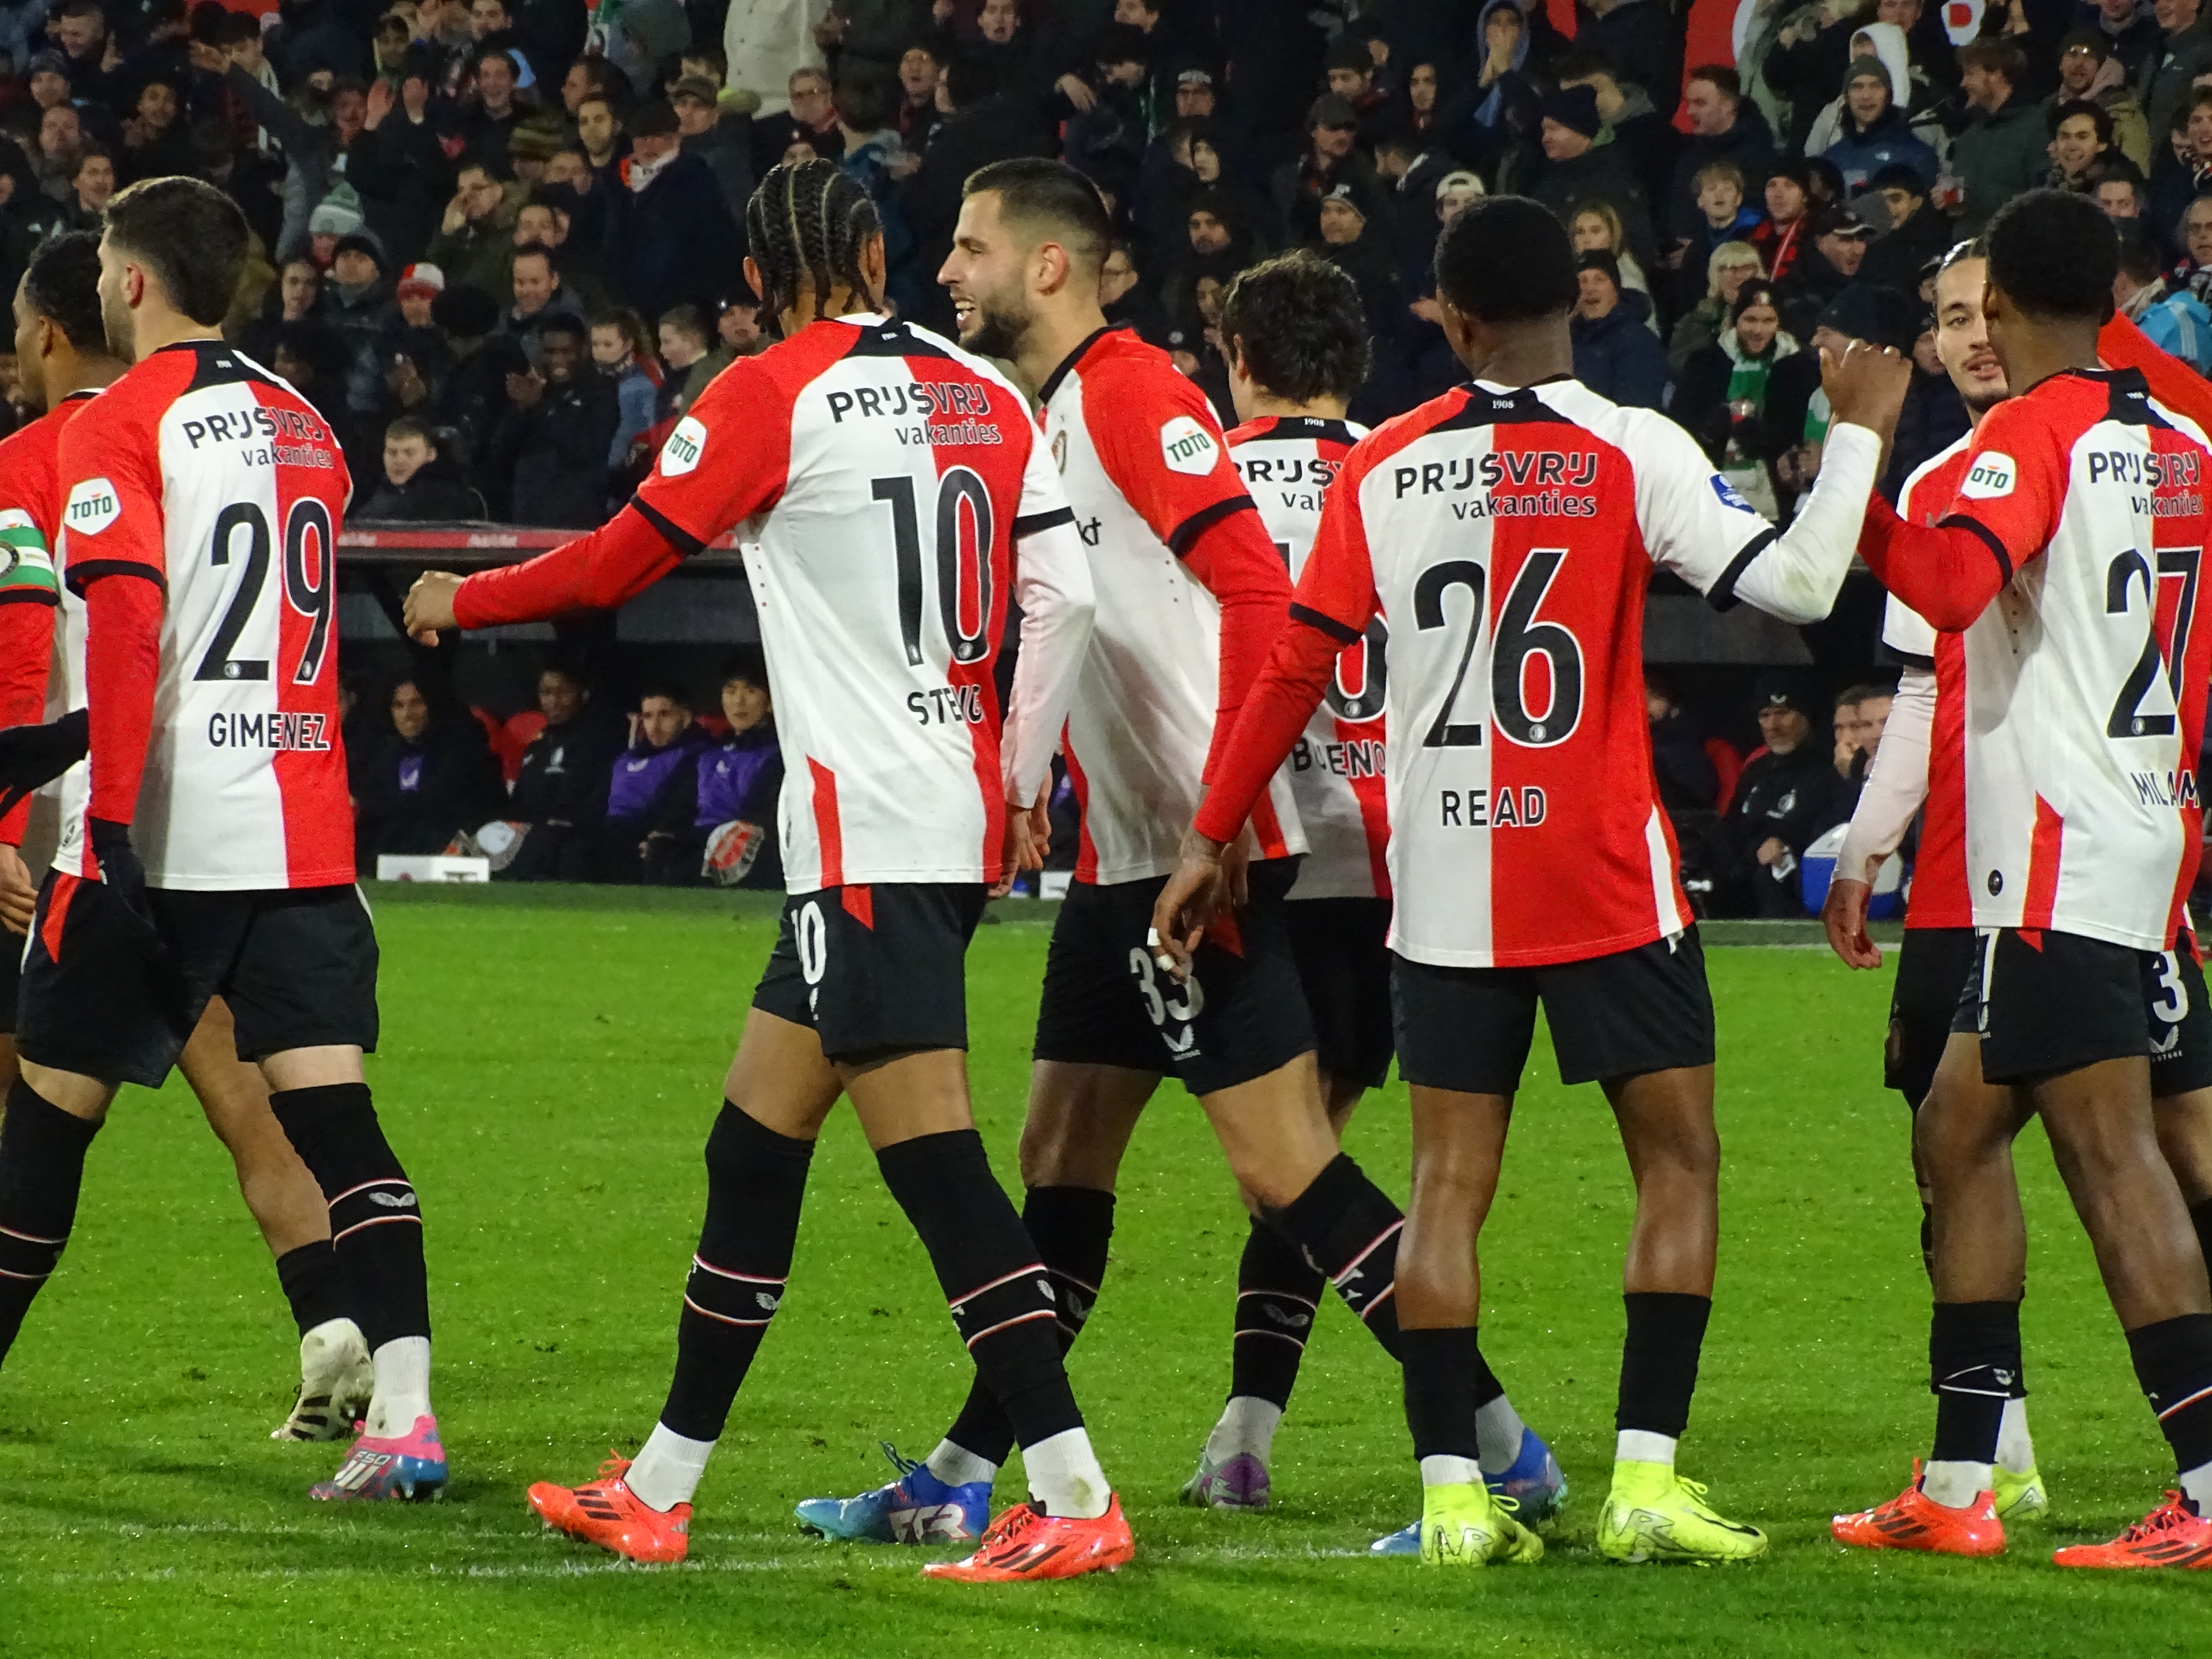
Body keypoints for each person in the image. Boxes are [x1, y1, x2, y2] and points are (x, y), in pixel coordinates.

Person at [1149, 193, 1909, 1566]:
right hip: (1606, 866)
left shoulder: (1383, 463)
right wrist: (1856, 425)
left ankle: (1451, 1500)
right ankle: (1643, 1485)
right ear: (1582, 295)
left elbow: (1293, 666)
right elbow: (1800, 584)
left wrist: (1209, 837)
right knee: (1678, 1162)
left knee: (1447, 1185)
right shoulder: (1635, 449)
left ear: (1451, 320)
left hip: (1445, 876)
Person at [402, 158, 1127, 1581]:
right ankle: (659, 1483)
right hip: (934, 816)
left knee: (936, 1170)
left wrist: (460, 594)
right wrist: (1020, 771)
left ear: (750, 277)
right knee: (752, 1142)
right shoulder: (987, 398)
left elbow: (618, 561)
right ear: (877, 250)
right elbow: (1069, 597)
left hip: (866, 834)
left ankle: (1074, 1487)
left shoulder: (768, 389)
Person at [796, 157, 1425, 1556]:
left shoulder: (1134, 391)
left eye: (965, 249)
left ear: (1044, 266)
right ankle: (967, 1466)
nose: (942, 274)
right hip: (1121, 860)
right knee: (1058, 1151)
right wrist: (1036, 785)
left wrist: (1217, 822)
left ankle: (1488, 1442)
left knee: (1288, 1169)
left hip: (1188, 858)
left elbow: (1256, 595)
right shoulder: (1050, 415)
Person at [0, 180, 439, 1500]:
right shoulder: (307, 424)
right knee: (339, 1128)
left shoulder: (115, 427)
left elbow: (125, 624)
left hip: (166, 833)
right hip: (301, 832)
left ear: (129, 284)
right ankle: (407, 1422)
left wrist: (112, 827)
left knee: (46, 1128)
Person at [1831, 189, 2212, 1567]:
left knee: (2114, 1154)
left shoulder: (2026, 437)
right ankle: (1958, 1471)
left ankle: (2209, 1482)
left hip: (2055, 846)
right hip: (2145, 822)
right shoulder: (2183, 440)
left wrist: (1857, 460)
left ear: (1994, 310)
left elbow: (1940, 581)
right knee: (1955, 1120)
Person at [1188, 248, 1563, 1526]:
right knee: (1300, 1162)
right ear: (1351, 361)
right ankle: (1245, 1433)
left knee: (1290, 1171)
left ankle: (1489, 1430)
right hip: (1392, 865)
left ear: (1239, 363)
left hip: (1252, 857)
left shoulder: (1211, 487)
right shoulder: (1414, 472)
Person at [349, 673, 503, 864]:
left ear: (432, 707)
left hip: (441, 838)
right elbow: (369, 795)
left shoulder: (457, 748)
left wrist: (388, 804)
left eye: (416, 704)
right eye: (399, 706)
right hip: (391, 840)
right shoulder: (385, 752)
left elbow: (441, 800)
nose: (407, 715)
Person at [501, 662, 625, 882]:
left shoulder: (599, 742)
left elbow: (597, 800)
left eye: (563, 692)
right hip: (532, 835)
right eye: (547, 693)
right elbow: (519, 802)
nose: (554, 701)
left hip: (574, 837)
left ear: (583, 695)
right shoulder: (537, 747)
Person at [676, 651, 783, 889]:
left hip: (745, 850)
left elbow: (761, 817)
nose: (739, 701)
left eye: (751, 691)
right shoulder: (706, 754)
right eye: (731, 691)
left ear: (770, 703)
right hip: (698, 843)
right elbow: (679, 806)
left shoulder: (779, 755)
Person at [599, 681, 709, 883]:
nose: (655, 726)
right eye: (648, 717)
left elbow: (676, 804)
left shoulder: (696, 754)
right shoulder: (627, 758)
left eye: (665, 715)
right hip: (613, 830)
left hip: (648, 832)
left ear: (685, 718)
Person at [354, 415, 486, 519]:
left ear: (431, 455)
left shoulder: (449, 500)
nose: (399, 460)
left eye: (409, 453)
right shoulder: (370, 499)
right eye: (392, 453)